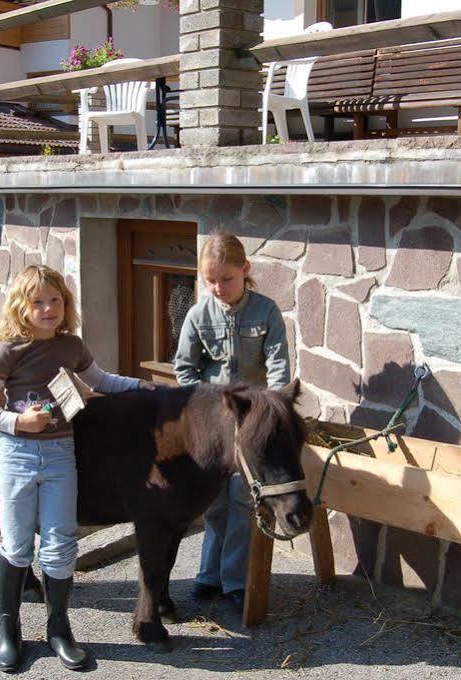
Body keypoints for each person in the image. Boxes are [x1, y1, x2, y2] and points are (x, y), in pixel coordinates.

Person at [0, 264, 146, 673]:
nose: (48, 308)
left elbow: (102, 381)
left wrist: (144, 386)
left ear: (66, 305)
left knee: (62, 543)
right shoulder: (8, 350)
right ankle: (9, 633)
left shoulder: (72, 346)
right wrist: (17, 422)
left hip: (60, 456)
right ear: (22, 307)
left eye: (55, 300)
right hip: (17, 457)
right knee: (15, 546)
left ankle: (59, 630)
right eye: (38, 302)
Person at [173, 231, 291, 612]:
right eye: (210, 281)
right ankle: (208, 575)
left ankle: (235, 581)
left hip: (251, 426)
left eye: (227, 279)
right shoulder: (197, 315)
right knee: (214, 503)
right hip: (213, 427)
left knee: (242, 501)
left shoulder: (267, 312)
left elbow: (278, 369)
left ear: (246, 270)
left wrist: (272, 414)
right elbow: (184, 369)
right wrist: (206, 407)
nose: (218, 288)